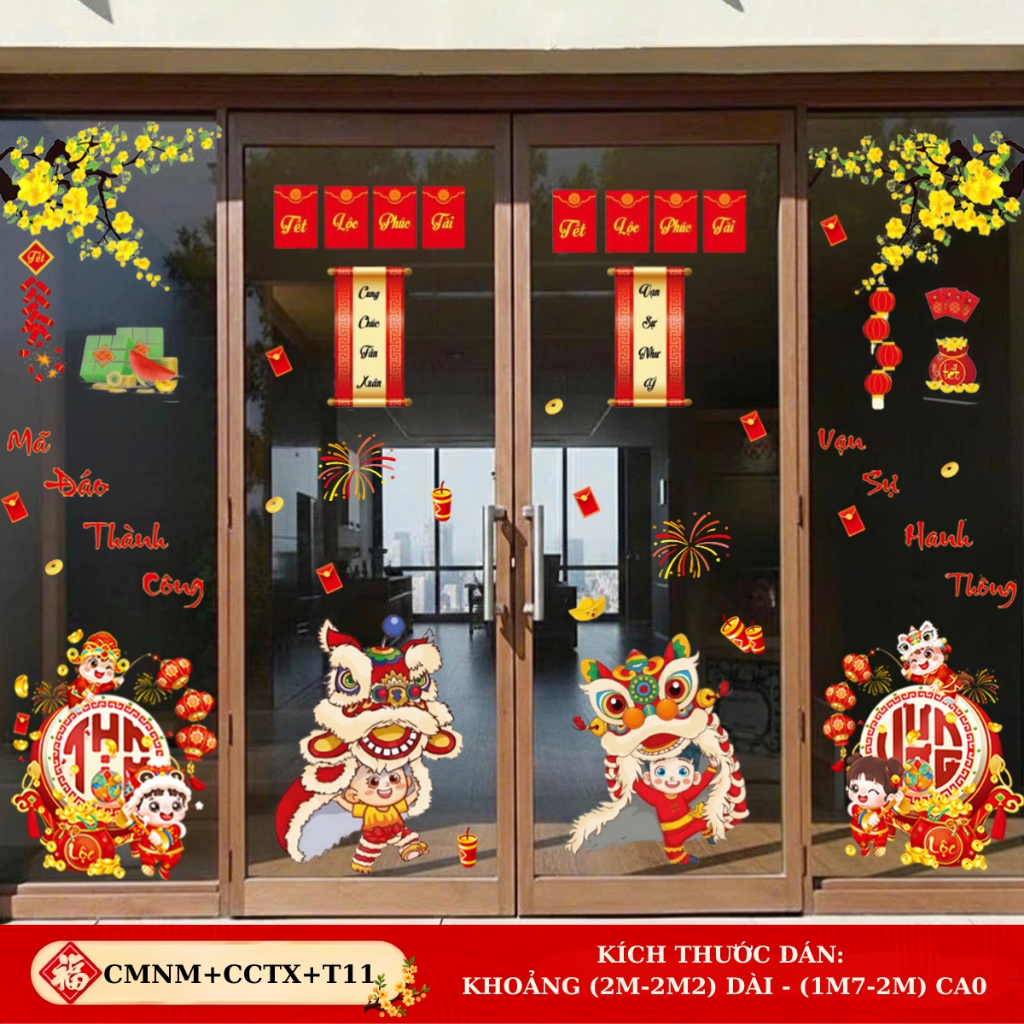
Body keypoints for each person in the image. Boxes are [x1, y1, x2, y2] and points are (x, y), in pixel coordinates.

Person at [632, 743, 717, 866]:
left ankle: (709, 835)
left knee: (706, 821)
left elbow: (700, 785)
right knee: (673, 853)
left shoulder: (683, 795)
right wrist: (623, 769)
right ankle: (687, 858)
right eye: (661, 772)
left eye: (682, 772)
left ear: (695, 777)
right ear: (648, 777)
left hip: (691, 822)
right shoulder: (656, 797)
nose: (672, 778)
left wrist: (712, 768)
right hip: (672, 833)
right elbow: (638, 785)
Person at [336, 764, 428, 873]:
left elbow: (408, 801)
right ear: (354, 795)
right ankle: (362, 863)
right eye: (374, 782)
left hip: (396, 829)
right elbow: (350, 807)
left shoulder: (394, 806)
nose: (386, 784)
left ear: (407, 782)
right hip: (375, 834)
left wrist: (416, 791)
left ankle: (410, 849)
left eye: (394, 779)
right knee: (369, 849)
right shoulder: (367, 809)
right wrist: (338, 799)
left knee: (408, 837)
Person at [123, 760, 191, 879]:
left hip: (171, 851)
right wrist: (128, 817)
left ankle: (165, 868)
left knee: (172, 860)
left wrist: (163, 837)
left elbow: (177, 831)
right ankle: (149, 864)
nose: (167, 812)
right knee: (146, 857)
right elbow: (137, 829)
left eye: (176, 806)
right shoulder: (145, 822)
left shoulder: (175, 826)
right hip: (148, 850)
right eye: (154, 806)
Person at [846, 754, 903, 857]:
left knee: (881, 839)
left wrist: (896, 805)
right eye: (855, 788)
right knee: (860, 839)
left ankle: (879, 846)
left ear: (888, 795)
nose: (862, 794)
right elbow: (856, 811)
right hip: (859, 830)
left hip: (879, 831)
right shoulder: (856, 807)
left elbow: (888, 815)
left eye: (872, 791)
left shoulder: (882, 807)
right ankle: (865, 847)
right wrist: (866, 818)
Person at [68, 631, 124, 707]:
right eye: (94, 664)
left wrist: (115, 683)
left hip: (90, 704)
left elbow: (103, 688)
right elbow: (80, 685)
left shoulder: (98, 683)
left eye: (108, 667)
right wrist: (86, 693)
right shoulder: (82, 679)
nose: (101, 670)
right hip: (76, 698)